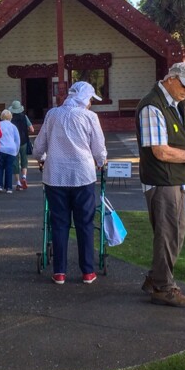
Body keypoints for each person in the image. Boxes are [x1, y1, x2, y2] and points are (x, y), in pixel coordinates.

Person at [135, 62, 185, 308]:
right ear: (171, 79)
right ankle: (164, 287)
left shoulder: (173, 105)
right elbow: (160, 151)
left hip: (173, 179)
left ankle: (156, 279)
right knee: (168, 234)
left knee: (175, 232)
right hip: (162, 180)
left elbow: (184, 137)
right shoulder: (152, 106)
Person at [33, 82, 107, 285]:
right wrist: (101, 161)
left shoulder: (52, 114)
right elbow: (98, 147)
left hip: (55, 175)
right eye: (91, 99)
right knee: (85, 223)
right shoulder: (89, 117)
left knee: (59, 223)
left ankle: (59, 272)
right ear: (84, 98)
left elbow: (40, 145)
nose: (91, 103)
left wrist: (39, 156)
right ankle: (87, 271)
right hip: (82, 175)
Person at [8, 100, 34, 190]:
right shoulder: (24, 117)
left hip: (14, 142)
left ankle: (18, 182)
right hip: (24, 141)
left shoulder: (10, 118)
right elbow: (32, 129)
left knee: (15, 162)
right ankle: (24, 178)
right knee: (24, 160)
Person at [0, 109, 20, 193]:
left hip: (1, 149)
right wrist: (16, 150)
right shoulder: (13, 126)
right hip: (11, 149)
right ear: (10, 117)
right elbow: (17, 139)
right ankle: (9, 187)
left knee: (0, 168)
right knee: (9, 168)